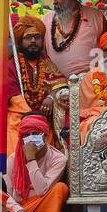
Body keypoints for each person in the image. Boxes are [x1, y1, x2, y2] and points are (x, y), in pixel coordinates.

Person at [6, 14, 64, 155]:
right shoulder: (12, 65)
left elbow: (61, 85)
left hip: (43, 121)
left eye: (37, 37)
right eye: (28, 37)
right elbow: (12, 95)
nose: (33, 41)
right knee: (16, 158)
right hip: (18, 120)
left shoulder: (46, 63)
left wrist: (51, 98)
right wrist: (30, 114)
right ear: (20, 41)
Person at [41, 0, 105, 80]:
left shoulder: (96, 17)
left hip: (91, 82)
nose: (54, 1)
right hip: (57, 84)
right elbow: (41, 54)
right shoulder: (45, 20)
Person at [6, 114, 68, 212]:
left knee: (60, 188)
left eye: (35, 133)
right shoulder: (13, 159)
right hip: (19, 209)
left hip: (43, 204)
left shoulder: (58, 159)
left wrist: (31, 159)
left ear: (45, 135)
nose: (30, 138)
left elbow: (41, 190)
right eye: (26, 135)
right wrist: (18, 209)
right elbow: (5, 193)